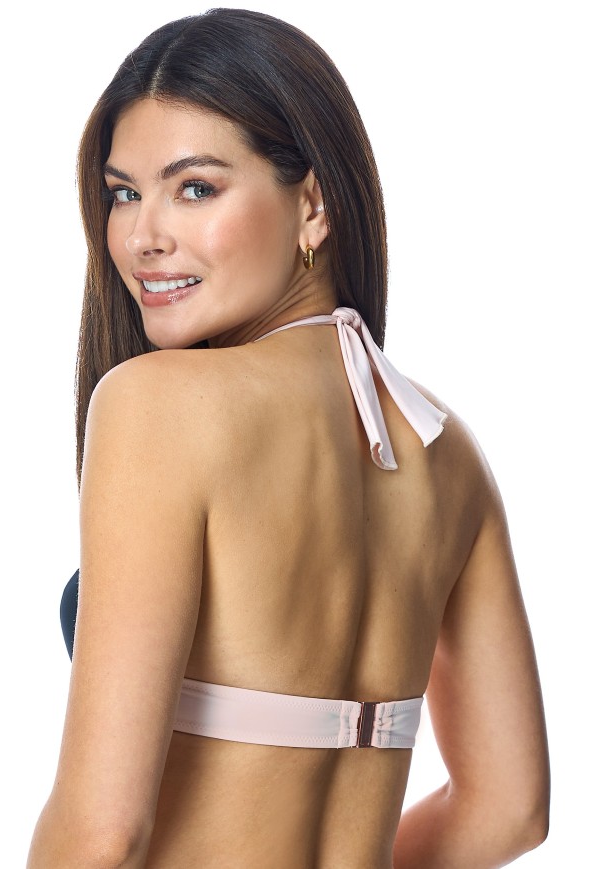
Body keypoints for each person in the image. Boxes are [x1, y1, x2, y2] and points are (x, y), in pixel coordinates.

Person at [27, 8, 550, 867]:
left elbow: (101, 833)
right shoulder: (446, 450)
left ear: (313, 204)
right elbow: (508, 808)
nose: (143, 237)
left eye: (195, 188)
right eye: (124, 193)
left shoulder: (155, 406)